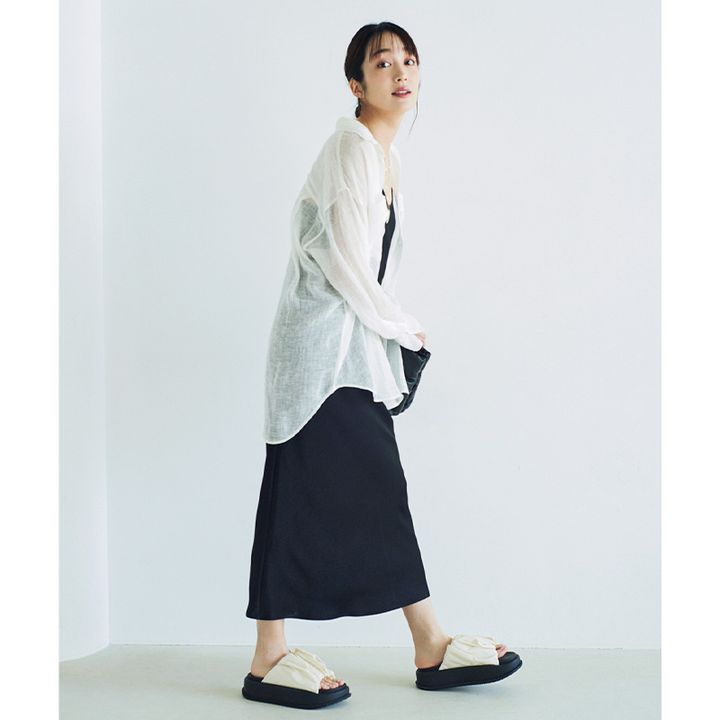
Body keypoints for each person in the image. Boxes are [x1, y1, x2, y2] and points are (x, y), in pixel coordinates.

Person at [242, 22, 522, 710]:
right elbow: (346, 265)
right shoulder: (353, 149)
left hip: (345, 355)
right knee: (347, 486)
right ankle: (422, 643)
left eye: (409, 60)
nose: (400, 72)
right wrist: (401, 326)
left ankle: (283, 653)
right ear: (356, 84)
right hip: (321, 358)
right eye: (382, 62)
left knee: (317, 490)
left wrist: (391, 332)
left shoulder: (380, 157)